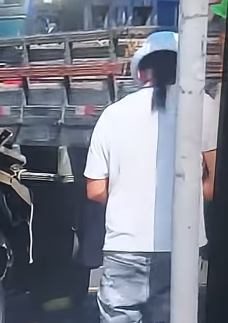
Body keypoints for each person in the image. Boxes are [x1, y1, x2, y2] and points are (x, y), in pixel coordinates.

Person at [84, 31, 218, 323]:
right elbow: (216, 178)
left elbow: (95, 190)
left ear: (141, 71)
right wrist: (193, 197)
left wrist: (129, 197)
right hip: (181, 243)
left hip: (124, 246)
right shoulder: (203, 106)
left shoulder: (112, 114)